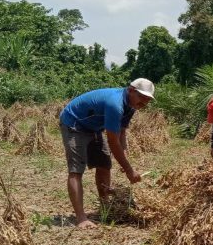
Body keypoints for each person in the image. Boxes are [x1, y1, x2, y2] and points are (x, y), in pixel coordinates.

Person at [58, 78, 155, 228]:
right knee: (76, 170)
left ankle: (105, 207)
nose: (143, 103)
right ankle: (81, 218)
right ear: (131, 90)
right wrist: (129, 170)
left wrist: (125, 160)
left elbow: (121, 132)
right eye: (141, 97)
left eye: (147, 100)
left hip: (94, 127)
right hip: (74, 124)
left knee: (104, 165)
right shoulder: (115, 104)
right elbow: (112, 141)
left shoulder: (131, 106)